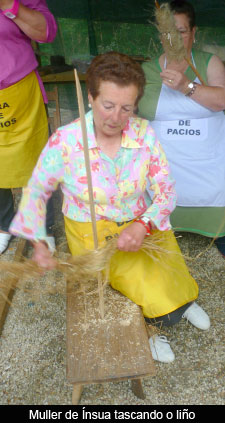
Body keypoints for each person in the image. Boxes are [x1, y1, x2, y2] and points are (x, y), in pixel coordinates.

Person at [9, 51, 210, 363]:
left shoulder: (144, 134)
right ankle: (151, 328)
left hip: (141, 225)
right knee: (140, 282)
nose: (116, 117)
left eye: (126, 107)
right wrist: (38, 242)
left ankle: (182, 302)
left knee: (169, 269)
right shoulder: (66, 140)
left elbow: (167, 191)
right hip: (94, 233)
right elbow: (36, 190)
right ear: (91, 97)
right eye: (108, 105)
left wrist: (143, 225)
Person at [138, 0, 225, 257]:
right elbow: (135, 113)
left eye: (182, 32)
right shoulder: (148, 70)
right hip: (167, 167)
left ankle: (218, 232)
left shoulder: (209, 63)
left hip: (208, 166)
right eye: (168, 33)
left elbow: (221, 100)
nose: (174, 39)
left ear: (194, 33)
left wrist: (187, 86)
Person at [0, 0, 57, 254]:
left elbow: (46, 32)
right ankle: (2, 226)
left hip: (20, 90)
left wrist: (9, 5)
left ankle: (40, 228)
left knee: (37, 160)